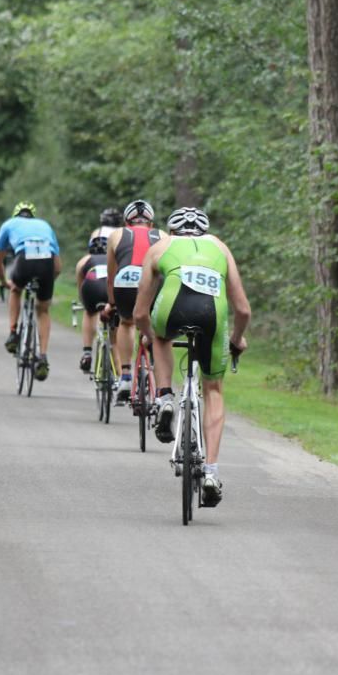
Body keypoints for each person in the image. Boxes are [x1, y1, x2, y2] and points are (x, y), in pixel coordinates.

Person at [135, 207, 250, 507]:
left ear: (172, 231)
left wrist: (147, 335)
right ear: (205, 231)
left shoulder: (160, 246)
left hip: (172, 310)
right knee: (213, 390)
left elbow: (138, 313)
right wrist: (236, 339)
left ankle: (164, 398)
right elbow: (243, 310)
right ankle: (211, 471)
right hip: (214, 315)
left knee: (160, 337)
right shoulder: (220, 247)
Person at [102, 200, 165, 403]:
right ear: (151, 224)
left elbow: (111, 275)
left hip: (125, 281)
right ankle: (160, 381)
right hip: (153, 284)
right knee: (155, 327)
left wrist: (111, 304)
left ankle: (126, 375)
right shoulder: (163, 236)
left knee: (126, 322)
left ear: (127, 223)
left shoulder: (116, 235)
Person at [0, 202, 62, 381]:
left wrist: (5, 282)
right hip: (46, 262)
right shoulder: (45, 225)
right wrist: (47, 282)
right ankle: (43, 357)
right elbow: (58, 267)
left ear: (16, 215)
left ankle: (13, 333)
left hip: (24, 259)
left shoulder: (9, 224)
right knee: (43, 310)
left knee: (16, 290)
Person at [75, 235, 110, 372]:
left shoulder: (85, 260)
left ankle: (87, 352)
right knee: (116, 315)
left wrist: (84, 302)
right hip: (110, 288)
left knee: (89, 312)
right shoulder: (114, 259)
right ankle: (115, 347)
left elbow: (80, 287)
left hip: (91, 287)